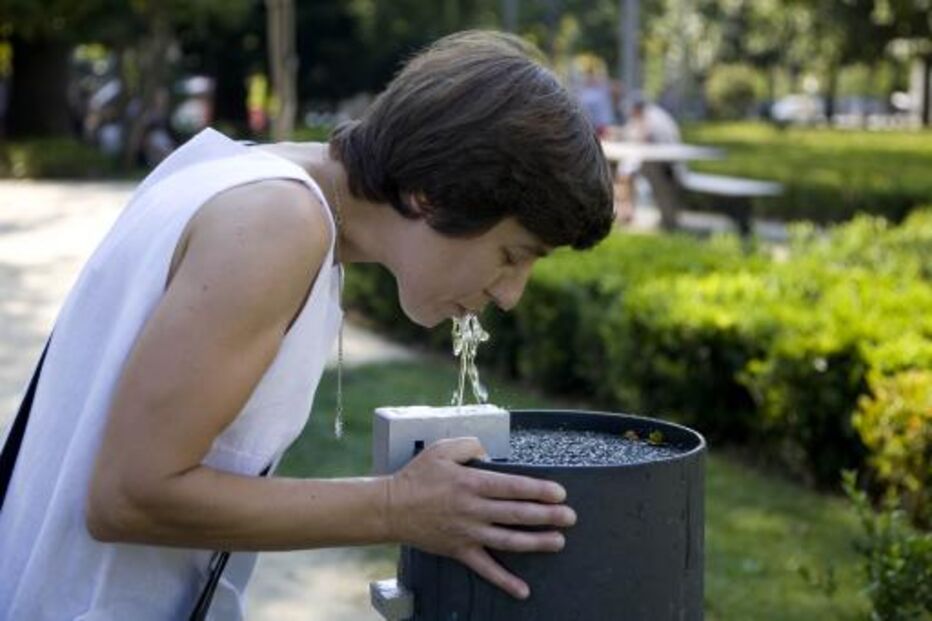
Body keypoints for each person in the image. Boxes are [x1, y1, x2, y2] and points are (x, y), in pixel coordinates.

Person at [0, 30, 614, 620]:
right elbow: (128, 495)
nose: (510, 295)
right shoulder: (278, 223)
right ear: (433, 194)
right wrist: (396, 507)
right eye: (513, 255)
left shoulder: (236, 167)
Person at [613, 94, 682, 226]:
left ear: (637, 108)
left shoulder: (653, 117)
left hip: (667, 164)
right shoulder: (647, 114)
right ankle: (627, 212)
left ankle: (666, 218)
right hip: (656, 161)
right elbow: (631, 133)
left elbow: (643, 138)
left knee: (627, 172)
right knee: (625, 172)